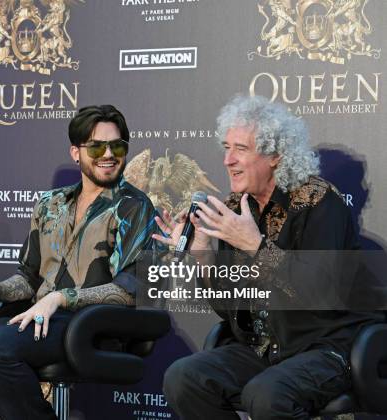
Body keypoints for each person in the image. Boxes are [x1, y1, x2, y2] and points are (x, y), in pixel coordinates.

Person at [0, 105, 158, 420]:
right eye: (97, 146)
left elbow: (131, 290)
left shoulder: (134, 206)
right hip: (36, 321)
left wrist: (60, 298)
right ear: (76, 152)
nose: (109, 154)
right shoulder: (50, 204)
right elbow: (28, 279)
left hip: (93, 326)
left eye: (117, 145)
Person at [156, 95, 382, 419]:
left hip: (323, 346)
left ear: (275, 155)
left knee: (266, 395)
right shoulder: (237, 208)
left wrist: (257, 248)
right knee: (184, 378)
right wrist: (204, 257)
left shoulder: (319, 202)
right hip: (264, 348)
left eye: (241, 149)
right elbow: (228, 308)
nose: (227, 160)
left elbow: (320, 294)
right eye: (226, 147)